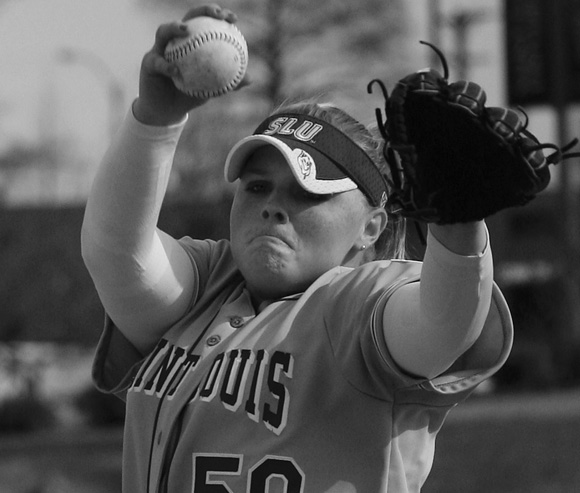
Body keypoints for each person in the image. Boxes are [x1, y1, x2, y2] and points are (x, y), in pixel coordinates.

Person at [81, 4, 513, 492]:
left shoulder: (362, 303)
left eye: (309, 192)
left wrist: (458, 224)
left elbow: (442, 323)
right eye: (257, 187)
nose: (273, 207)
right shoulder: (205, 284)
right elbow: (117, 252)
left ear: (371, 227)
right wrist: (156, 119)